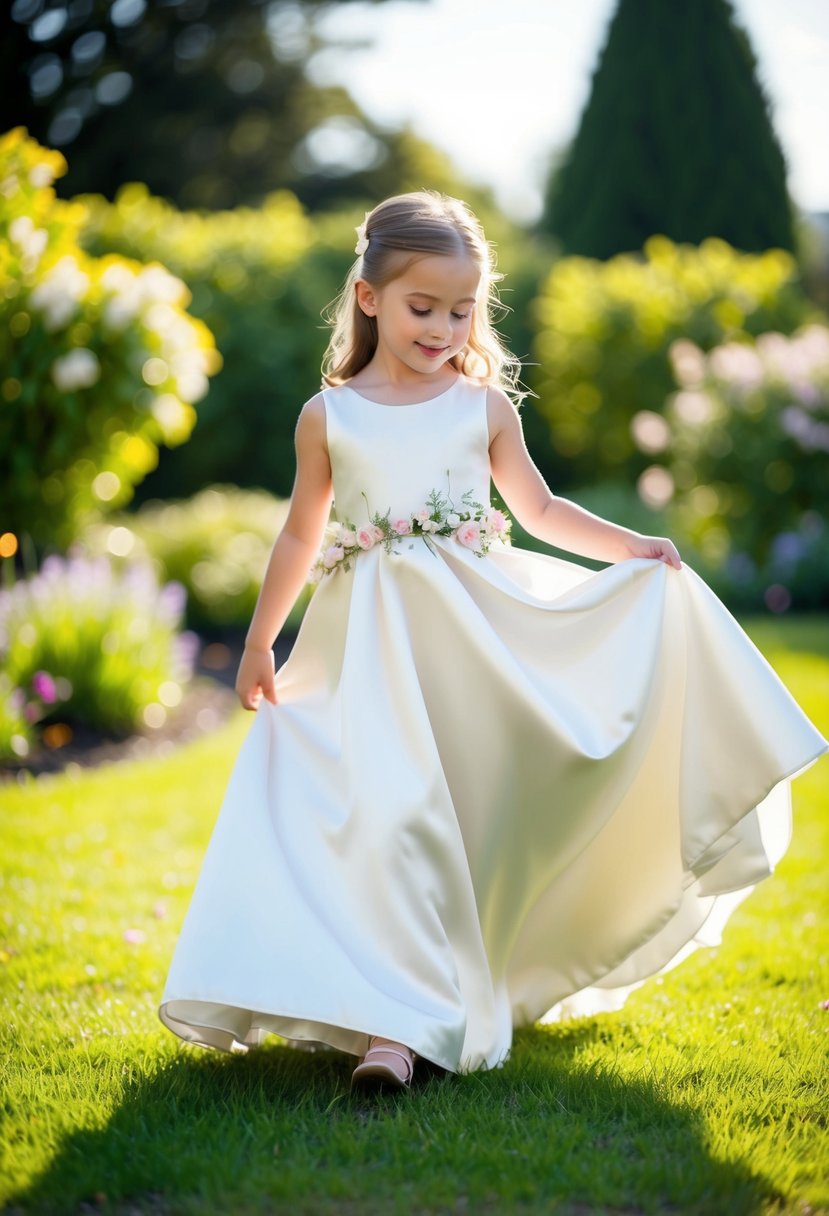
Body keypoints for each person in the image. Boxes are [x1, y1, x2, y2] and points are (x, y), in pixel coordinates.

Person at [159, 191, 827, 1092]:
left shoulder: (480, 407)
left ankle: (436, 1003)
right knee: (386, 819)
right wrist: (255, 642)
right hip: (365, 656)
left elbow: (540, 510)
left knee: (461, 823)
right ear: (368, 298)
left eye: (461, 309)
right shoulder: (331, 416)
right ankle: (390, 1034)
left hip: (470, 649)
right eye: (420, 307)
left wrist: (629, 548)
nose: (442, 327)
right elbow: (298, 535)